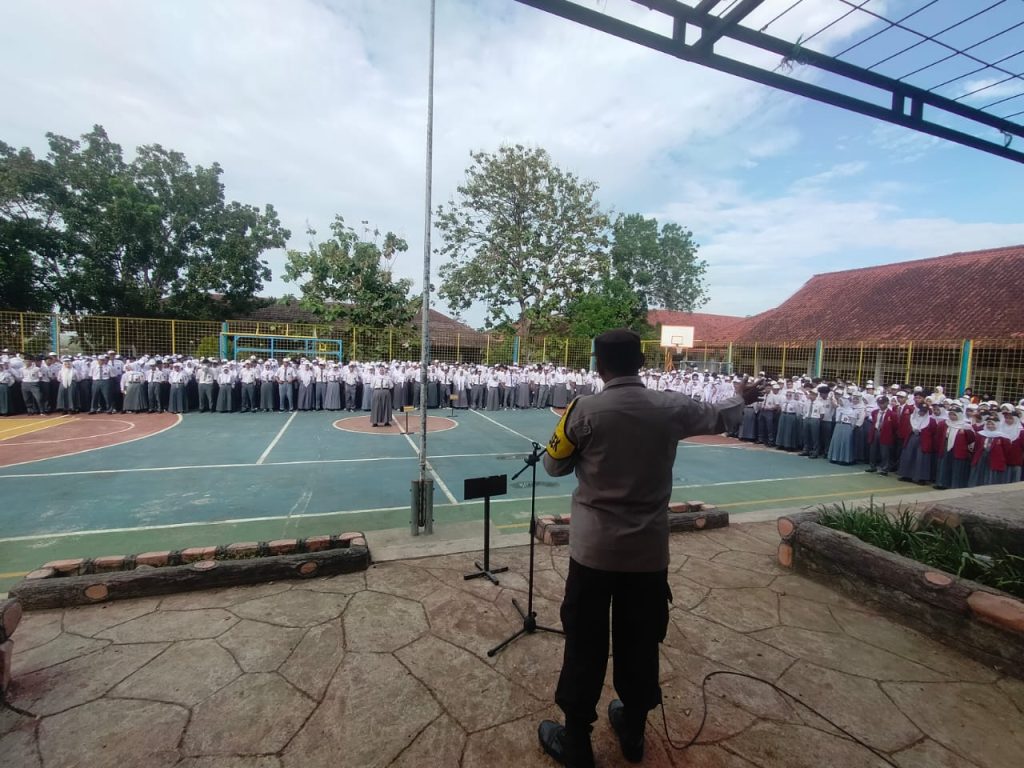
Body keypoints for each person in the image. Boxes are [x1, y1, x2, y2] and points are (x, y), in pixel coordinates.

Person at [537, 329, 763, 768]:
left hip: (594, 552)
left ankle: (578, 741)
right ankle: (634, 730)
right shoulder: (672, 406)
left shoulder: (583, 411)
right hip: (647, 553)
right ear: (641, 362)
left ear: (599, 366)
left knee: (584, 642)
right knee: (640, 640)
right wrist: (743, 397)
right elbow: (718, 416)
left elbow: (553, 464)